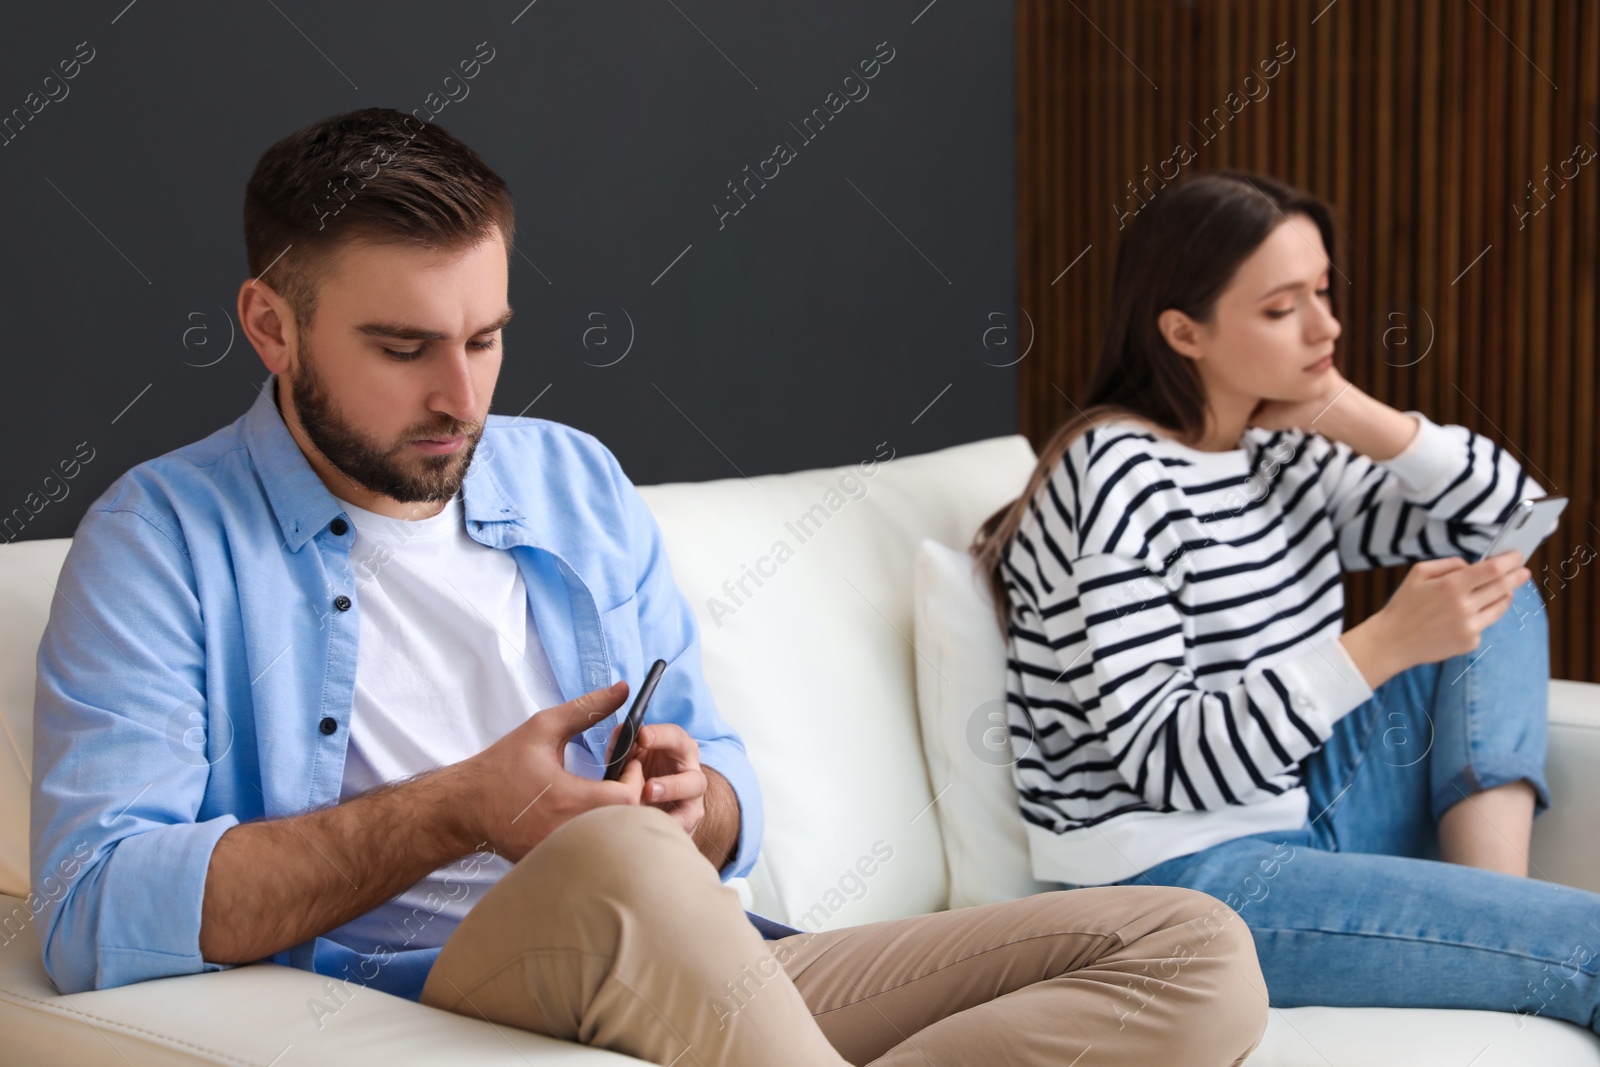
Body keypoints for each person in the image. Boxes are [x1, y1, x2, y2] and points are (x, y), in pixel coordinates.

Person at [29, 107, 1268, 1066]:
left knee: (1192, 951)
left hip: (715, 959)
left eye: (486, 336)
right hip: (443, 981)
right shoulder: (160, 539)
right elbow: (88, 910)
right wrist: (465, 808)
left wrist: (701, 801)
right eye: (402, 348)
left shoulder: (573, 479)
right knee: (615, 861)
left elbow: (724, 788)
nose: (462, 396)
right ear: (270, 323)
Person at [972, 168, 1598, 1031]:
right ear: (1183, 331)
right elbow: (1168, 762)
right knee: (1593, 942)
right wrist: (1380, 644)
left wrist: (1355, 412)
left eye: (1323, 293)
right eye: (1280, 309)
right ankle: (1510, 937)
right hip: (1183, 881)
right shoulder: (1115, 474)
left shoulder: (1276, 452)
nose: (1327, 326)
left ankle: (1496, 910)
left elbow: (1513, 516)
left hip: (1306, 810)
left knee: (1497, 598)